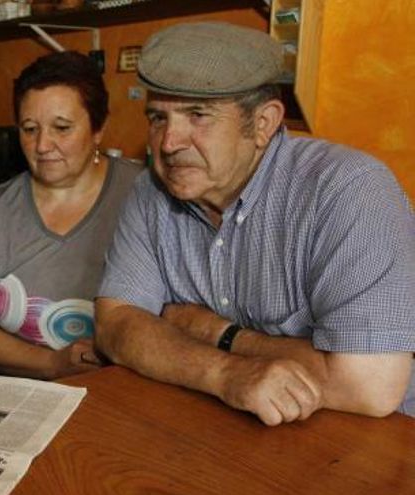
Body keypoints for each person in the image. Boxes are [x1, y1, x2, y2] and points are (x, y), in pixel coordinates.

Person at [95, 22, 415, 425]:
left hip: (371, 446)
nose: (169, 142)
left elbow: (367, 388)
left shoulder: (348, 190)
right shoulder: (151, 190)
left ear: (263, 124)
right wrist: (224, 373)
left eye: (198, 115)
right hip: (223, 427)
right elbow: (115, 325)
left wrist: (213, 332)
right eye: (158, 118)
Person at [0, 51, 142, 379]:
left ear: (98, 128)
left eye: (62, 128)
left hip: (124, 396)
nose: (42, 145)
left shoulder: (144, 196)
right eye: (29, 128)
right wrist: (52, 363)